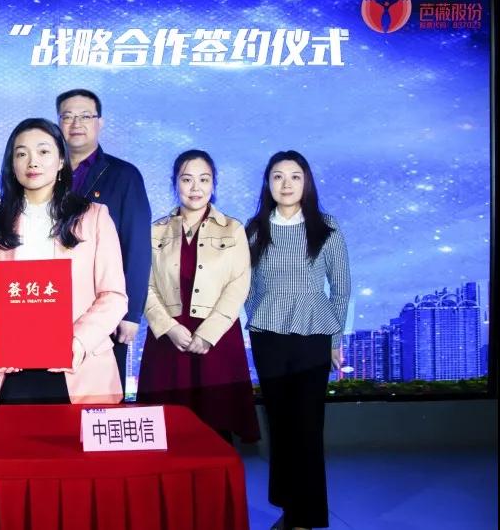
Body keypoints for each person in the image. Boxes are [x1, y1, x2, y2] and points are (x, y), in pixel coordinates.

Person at [0, 118, 126, 405]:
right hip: (14, 371)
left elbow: (114, 296)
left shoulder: (93, 217)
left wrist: (78, 341)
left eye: (43, 151)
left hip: (79, 366)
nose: (32, 161)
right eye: (21, 154)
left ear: (60, 161)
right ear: (12, 165)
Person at [244, 150, 351, 530]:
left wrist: (335, 338)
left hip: (313, 337)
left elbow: (341, 288)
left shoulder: (326, 227)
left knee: (307, 427)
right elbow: (247, 287)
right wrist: (258, 318)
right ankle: (289, 508)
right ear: (268, 183)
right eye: (278, 176)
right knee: (280, 425)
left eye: (294, 176)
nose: (286, 184)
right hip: (268, 339)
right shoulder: (255, 229)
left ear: (306, 182)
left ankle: (306, 517)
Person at [138, 150, 260, 443]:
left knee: (217, 431)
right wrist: (168, 327)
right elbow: (144, 284)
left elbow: (239, 285)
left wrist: (208, 334)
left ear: (214, 184)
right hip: (169, 340)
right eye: (187, 179)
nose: (196, 188)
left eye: (204, 179)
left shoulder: (233, 229)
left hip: (217, 341)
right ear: (175, 183)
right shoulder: (155, 231)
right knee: (167, 432)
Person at [56, 89, 150, 394]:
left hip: (104, 309)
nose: (76, 123)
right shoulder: (46, 173)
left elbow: (137, 248)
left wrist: (131, 314)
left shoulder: (124, 176)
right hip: (50, 306)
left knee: (101, 399)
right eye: (68, 116)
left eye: (85, 116)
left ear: (100, 122)